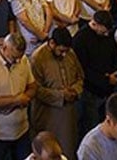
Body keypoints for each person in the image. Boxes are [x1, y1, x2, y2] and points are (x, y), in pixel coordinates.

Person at [0, 32, 36, 160]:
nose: (17, 61)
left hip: (22, 130)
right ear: (4, 47)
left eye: (19, 57)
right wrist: (16, 100)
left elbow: (33, 87)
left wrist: (24, 97)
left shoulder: (23, 60)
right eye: (14, 57)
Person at [30, 27, 83, 158]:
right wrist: (61, 96)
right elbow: (35, 89)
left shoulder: (70, 53)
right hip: (48, 114)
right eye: (61, 51)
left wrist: (75, 90)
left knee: (67, 150)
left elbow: (80, 77)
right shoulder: (38, 58)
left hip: (69, 113)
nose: (64, 54)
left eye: (66, 51)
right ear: (52, 43)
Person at [74, 9, 117, 132]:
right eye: (104, 31)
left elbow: (115, 54)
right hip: (91, 89)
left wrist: (115, 73)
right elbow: (82, 68)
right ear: (96, 24)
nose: (106, 34)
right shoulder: (81, 38)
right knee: (93, 125)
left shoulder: (106, 34)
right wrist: (105, 79)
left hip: (108, 88)